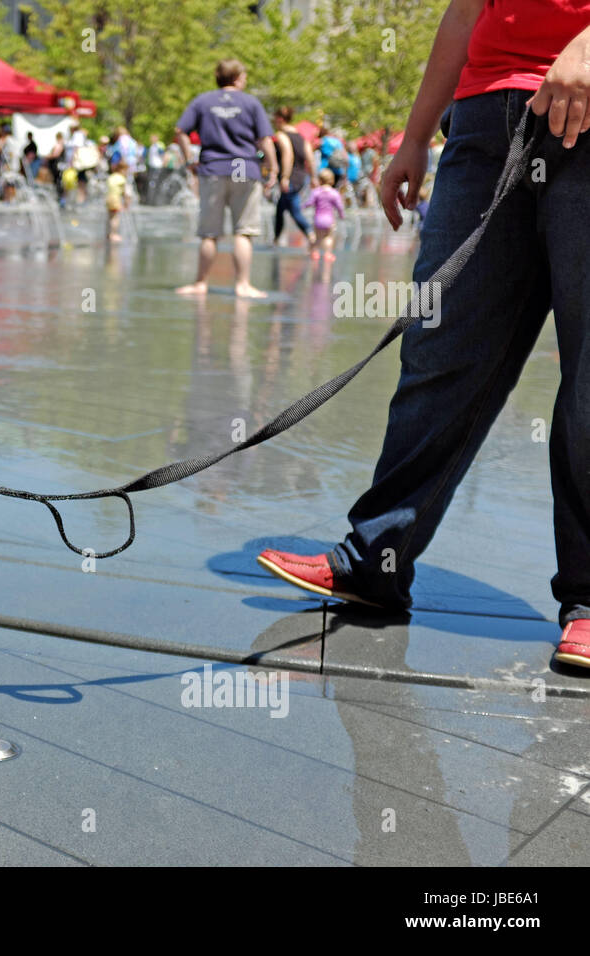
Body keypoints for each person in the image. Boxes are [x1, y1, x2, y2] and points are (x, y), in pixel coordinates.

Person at [256, 0, 590, 670]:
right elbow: (465, 8)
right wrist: (414, 137)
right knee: (440, 350)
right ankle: (375, 560)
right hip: (484, 119)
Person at [173, 58, 278, 298]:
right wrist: (272, 169)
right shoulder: (251, 103)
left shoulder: (203, 101)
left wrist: (189, 159)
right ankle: (243, 285)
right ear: (238, 77)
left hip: (213, 169)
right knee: (243, 231)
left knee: (209, 232)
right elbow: (264, 140)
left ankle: (200, 283)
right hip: (244, 168)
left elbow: (180, 132)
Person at [271, 106, 315, 246]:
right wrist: (314, 176)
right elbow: (310, 157)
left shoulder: (282, 135)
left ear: (279, 119)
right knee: (280, 208)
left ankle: (310, 234)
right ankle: (276, 239)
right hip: (301, 177)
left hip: (290, 178)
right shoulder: (301, 137)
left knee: (293, 210)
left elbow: (287, 155)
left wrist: (285, 177)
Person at [302, 167, 343, 260]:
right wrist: (341, 215)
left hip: (318, 219)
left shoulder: (316, 192)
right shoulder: (334, 193)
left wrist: (303, 206)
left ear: (320, 180)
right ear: (332, 181)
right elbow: (339, 206)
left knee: (317, 237)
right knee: (328, 237)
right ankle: (327, 254)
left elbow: (310, 202)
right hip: (329, 220)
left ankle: (314, 253)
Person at [105, 156, 130, 242]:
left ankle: (109, 233)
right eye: (126, 171)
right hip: (115, 199)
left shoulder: (111, 176)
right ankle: (114, 234)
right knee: (115, 218)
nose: (127, 173)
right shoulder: (121, 179)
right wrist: (127, 203)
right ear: (122, 170)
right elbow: (126, 193)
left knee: (110, 217)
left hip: (108, 198)